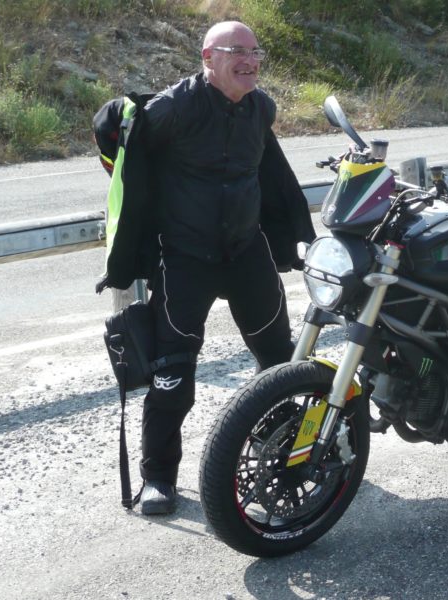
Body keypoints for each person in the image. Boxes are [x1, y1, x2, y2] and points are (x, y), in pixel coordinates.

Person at [96, 21, 316, 515]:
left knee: (280, 361)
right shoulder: (175, 108)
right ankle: (158, 479)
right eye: (236, 50)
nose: (249, 60)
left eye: (255, 51)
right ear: (207, 58)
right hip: (185, 258)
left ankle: (289, 456)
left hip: (245, 252)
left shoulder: (261, 107)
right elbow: (122, 147)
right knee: (173, 374)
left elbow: (269, 173)